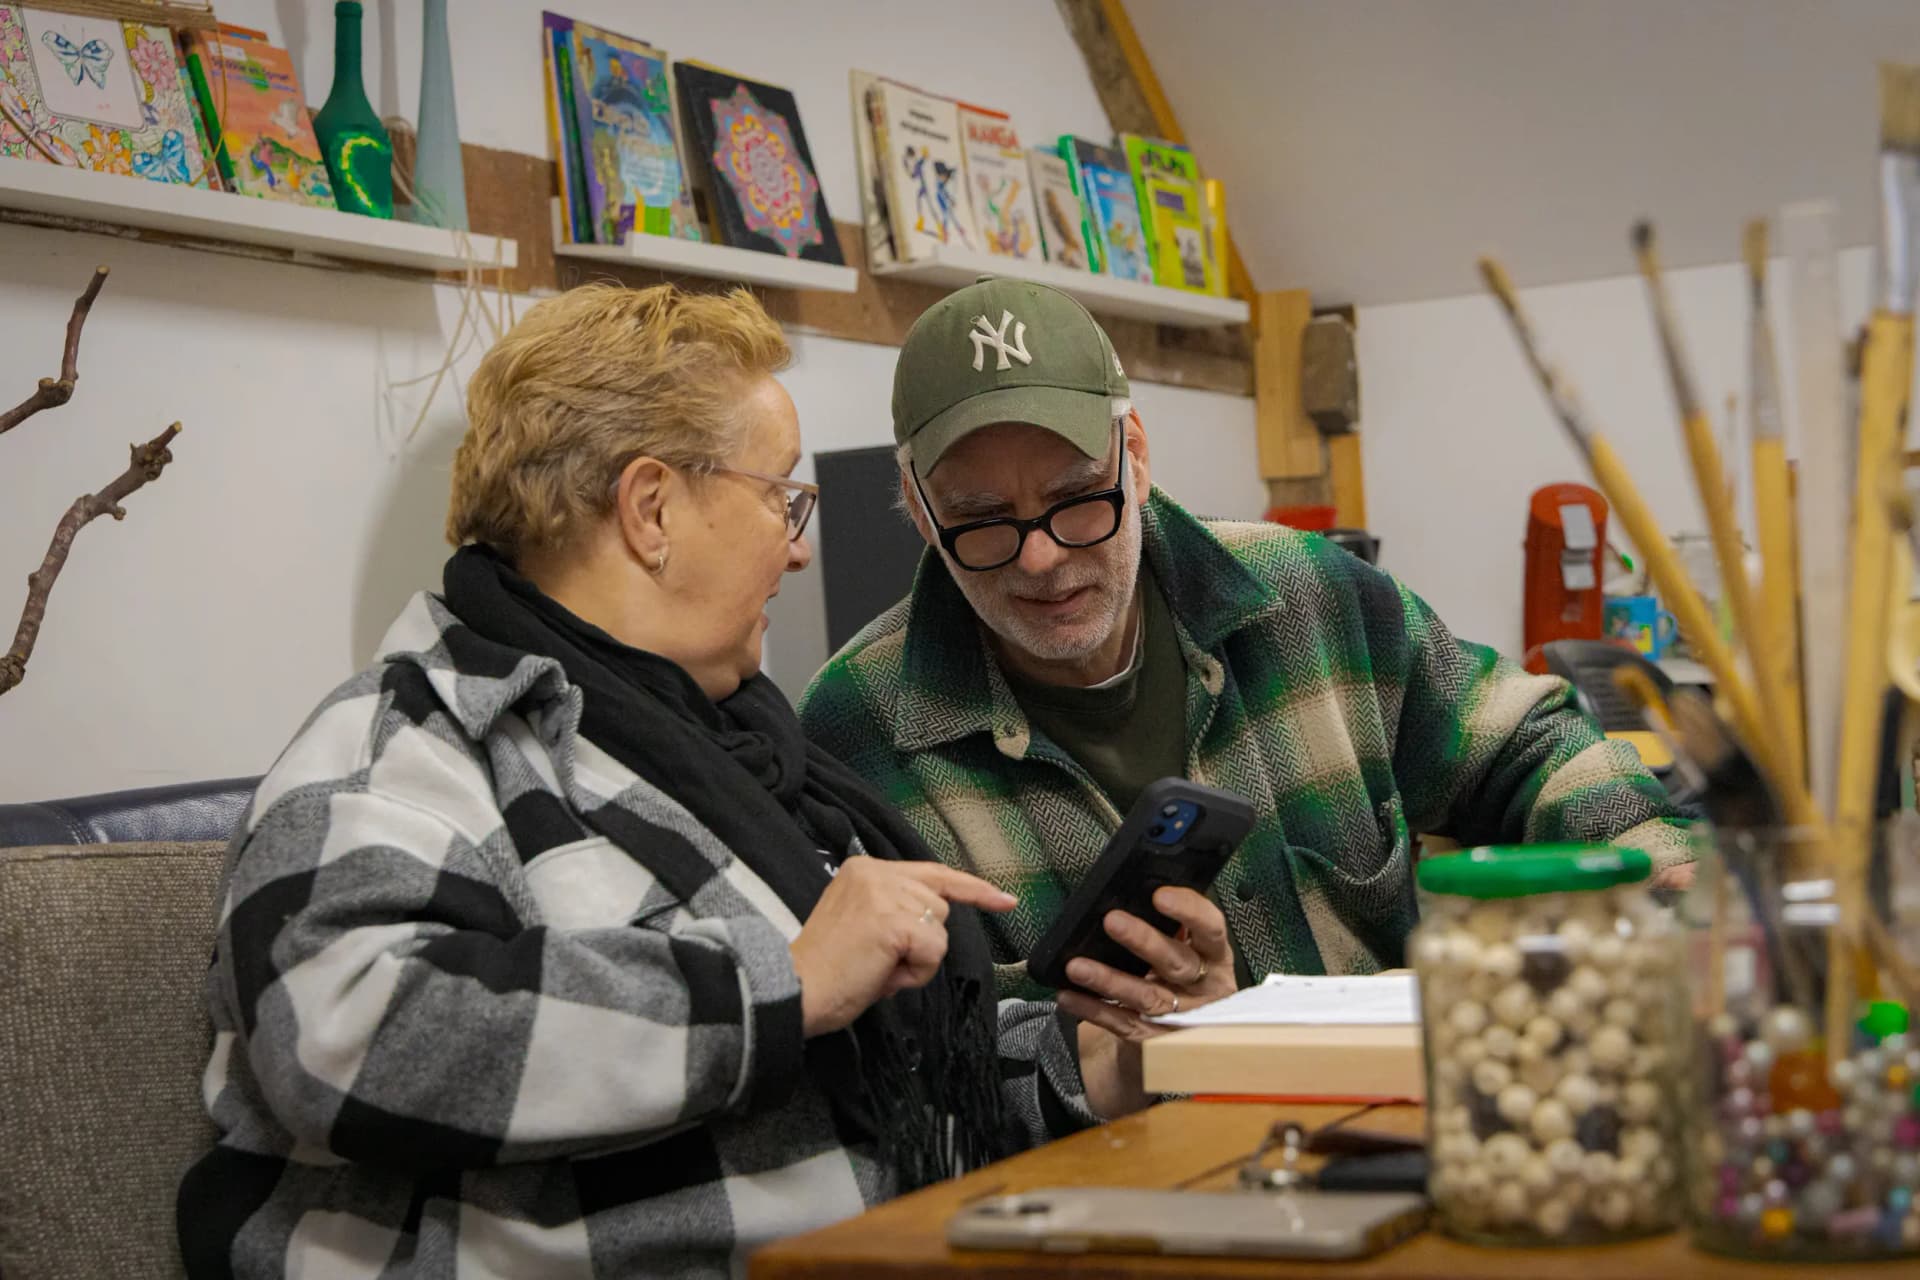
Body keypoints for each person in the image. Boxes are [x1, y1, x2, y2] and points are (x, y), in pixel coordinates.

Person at [176, 284, 1215, 1279]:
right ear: (652, 508)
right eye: (782, 497)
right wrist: (784, 982)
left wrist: (1106, 1067)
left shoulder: (736, 761)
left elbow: (883, 1076)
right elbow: (344, 1032)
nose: (796, 552)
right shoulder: (411, 743)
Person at [799, 278, 1693, 1037]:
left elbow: (1523, 741)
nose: (1041, 558)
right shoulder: (857, 730)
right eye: (983, 522)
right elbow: (922, 1062)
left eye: (1078, 501)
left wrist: (1652, 863)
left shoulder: (1308, 595)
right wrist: (1162, 1042)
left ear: (1135, 459)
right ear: (919, 512)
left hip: (1378, 1129)